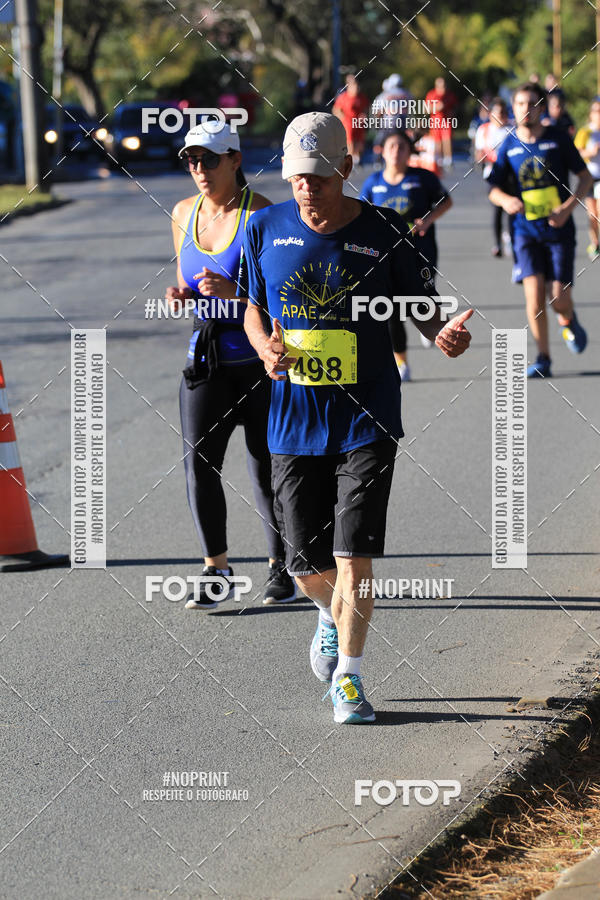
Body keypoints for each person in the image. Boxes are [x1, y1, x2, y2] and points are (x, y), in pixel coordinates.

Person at [240, 112, 472, 724]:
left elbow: (423, 311)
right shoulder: (263, 228)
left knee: (354, 557)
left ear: (345, 167)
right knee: (307, 567)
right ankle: (326, 612)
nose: (307, 188)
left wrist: (440, 334)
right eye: (296, 177)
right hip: (291, 421)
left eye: (318, 175)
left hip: (367, 418)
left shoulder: (385, 231)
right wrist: (264, 345)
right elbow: (253, 311)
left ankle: (350, 676)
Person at [166, 122, 296, 608]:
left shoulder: (263, 214)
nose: (199, 170)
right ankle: (215, 570)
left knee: (268, 468)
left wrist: (239, 293)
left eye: (210, 159)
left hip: (259, 363)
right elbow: (187, 279)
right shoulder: (183, 213)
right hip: (206, 360)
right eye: (192, 160)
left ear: (235, 160)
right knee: (199, 465)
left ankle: (281, 565)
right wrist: (181, 295)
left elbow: (285, 295)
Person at [487, 83, 592, 378]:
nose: (525, 109)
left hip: (559, 231)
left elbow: (584, 178)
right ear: (513, 108)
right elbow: (493, 189)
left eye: (532, 104)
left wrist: (567, 208)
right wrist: (507, 200)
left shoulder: (558, 140)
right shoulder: (508, 145)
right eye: (520, 103)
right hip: (524, 232)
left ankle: (568, 318)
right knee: (534, 297)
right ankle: (543, 357)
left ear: (541, 108)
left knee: (558, 297)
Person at [360, 129, 453, 380]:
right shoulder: (373, 183)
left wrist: (428, 220)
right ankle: (402, 363)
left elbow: (446, 201)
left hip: (421, 252)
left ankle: (427, 324)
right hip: (386, 257)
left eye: (402, 147)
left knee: (420, 298)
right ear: (382, 151)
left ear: (409, 151)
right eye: (391, 147)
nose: (397, 152)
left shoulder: (423, 178)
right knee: (391, 309)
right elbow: (361, 216)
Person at [475, 98, 513, 256]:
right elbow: (478, 153)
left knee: (511, 208)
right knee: (497, 210)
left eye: (504, 113)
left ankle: (511, 238)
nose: (502, 116)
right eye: (499, 113)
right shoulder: (483, 130)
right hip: (493, 174)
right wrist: (482, 159)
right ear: (491, 114)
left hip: (511, 174)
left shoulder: (512, 129)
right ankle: (497, 244)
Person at [574, 97, 600, 260]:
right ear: (591, 114)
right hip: (589, 178)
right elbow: (576, 154)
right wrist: (589, 153)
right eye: (596, 111)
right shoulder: (585, 132)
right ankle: (595, 243)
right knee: (592, 214)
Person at [332, 74, 370, 165]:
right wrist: (342, 118)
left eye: (357, 85)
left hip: (359, 123)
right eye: (354, 85)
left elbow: (366, 109)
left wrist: (364, 115)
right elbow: (336, 110)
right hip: (348, 123)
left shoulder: (362, 97)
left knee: (360, 143)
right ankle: (351, 160)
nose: (357, 87)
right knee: (350, 142)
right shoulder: (343, 97)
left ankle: (357, 160)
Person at [425, 76, 458, 169]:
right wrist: (436, 107)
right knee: (437, 141)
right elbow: (426, 109)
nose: (442, 87)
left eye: (443, 85)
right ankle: (438, 159)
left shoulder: (449, 95)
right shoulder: (431, 94)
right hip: (435, 121)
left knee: (447, 139)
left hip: (446, 120)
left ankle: (448, 159)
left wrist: (452, 112)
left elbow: (455, 107)